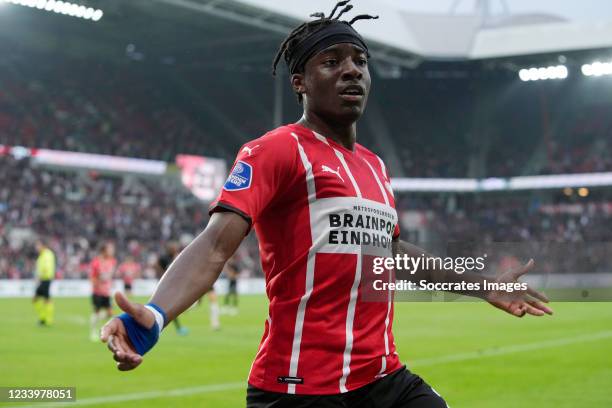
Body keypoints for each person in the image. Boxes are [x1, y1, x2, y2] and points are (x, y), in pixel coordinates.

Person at [101, 2, 553, 407]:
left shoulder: (376, 167)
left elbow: (392, 255)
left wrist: (484, 285)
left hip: (381, 377)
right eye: (331, 62)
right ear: (299, 82)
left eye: (360, 61)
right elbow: (217, 244)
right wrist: (155, 315)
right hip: (299, 389)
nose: (352, 70)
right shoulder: (275, 150)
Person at [156, 242, 190, 335]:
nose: (175, 250)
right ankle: (159, 328)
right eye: (173, 248)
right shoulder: (164, 258)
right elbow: (157, 266)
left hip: (170, 285)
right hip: (164, 285)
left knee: (168, 307)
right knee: (166, 307)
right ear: (169, 249)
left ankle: (175, 328)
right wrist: (161, 277)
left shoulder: (173, 257)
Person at [90, 241, 117, 341]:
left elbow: (110, 275)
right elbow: (93, 277)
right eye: (110, 249)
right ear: (104, 251)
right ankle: (93, 332)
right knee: (96, 311)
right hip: (98, 291)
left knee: (110, 313)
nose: (112, 251)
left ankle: (104, 330)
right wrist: (97, 286)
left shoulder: (112, 261)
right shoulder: (96, 262)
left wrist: (111, 284)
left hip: (107, 292)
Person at [32, 239, 56, 326]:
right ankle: (44, 319)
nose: (37, 247)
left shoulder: (47, 254)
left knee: (41, 299)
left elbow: (46, 268)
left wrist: (39, 277)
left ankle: (46, 319)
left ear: (43, 245)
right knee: (43, 299)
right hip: (44, 279)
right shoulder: (43, 255)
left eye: (38, 245)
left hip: (45, 279)